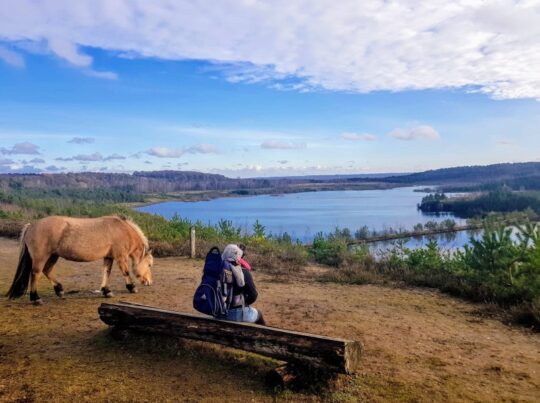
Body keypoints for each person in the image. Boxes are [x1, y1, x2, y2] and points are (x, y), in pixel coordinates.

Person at [221, 244, 265, 325]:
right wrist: (245, 303)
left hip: (218, 312)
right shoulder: (243, 272)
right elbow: (253, 295)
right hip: (235, 313)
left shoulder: (217, 269)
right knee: (259, 314)